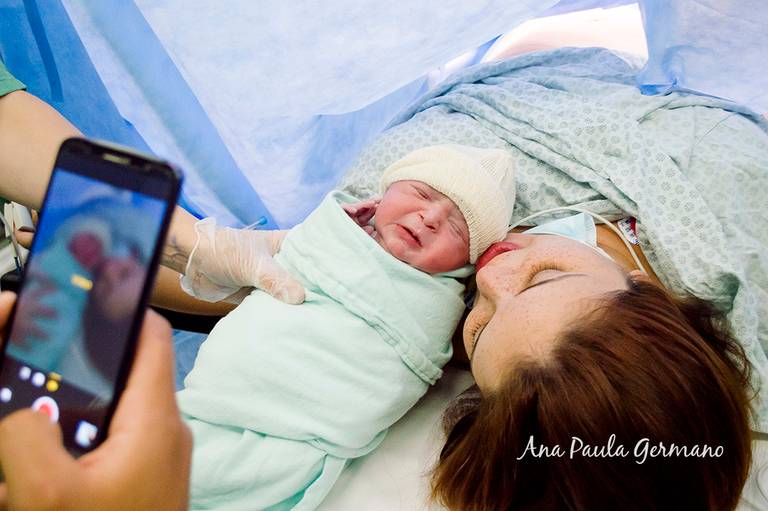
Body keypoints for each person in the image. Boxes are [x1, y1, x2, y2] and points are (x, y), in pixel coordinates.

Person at [174, 143, 516, 509]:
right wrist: (327, 233)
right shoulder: (328, 233)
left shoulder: (438, 302)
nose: (431, 217)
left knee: (212, 474)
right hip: (228, 388)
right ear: (384, 194)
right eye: (422, 193)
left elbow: (409, 360)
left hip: (307, 426)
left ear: (464, 263)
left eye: (457, 228)